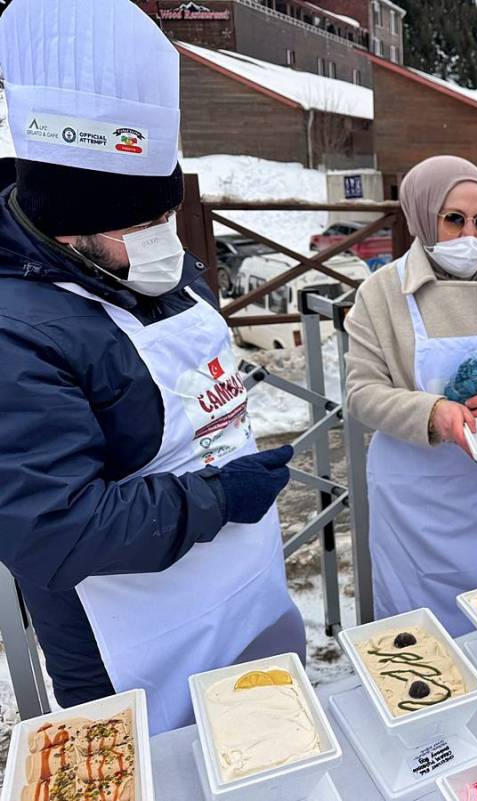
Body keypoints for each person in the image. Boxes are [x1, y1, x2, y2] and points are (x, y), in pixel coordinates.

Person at [0, 0, 302, 733]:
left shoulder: (165, 270)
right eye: (139, 225)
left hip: (237, 588)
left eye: (164, 215)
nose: (163, 240)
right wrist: (216, 499)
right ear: (68, 225)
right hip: (126, 643)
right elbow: (51, 525)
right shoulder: (17, 330)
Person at [345, 156, 477, 636]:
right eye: (454, 219)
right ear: (422, 217)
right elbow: (361, 393)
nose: (471, 236)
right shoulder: (380, 294)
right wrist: (432, 413)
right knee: (422, 634)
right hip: (418, 499)